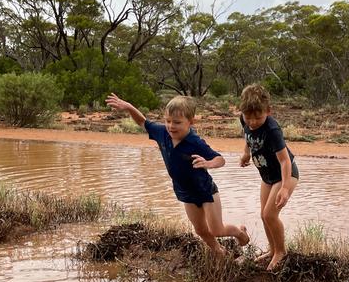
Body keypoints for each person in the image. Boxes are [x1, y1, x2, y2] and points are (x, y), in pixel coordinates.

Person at [105, 92, 249, 256]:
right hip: (185, 192)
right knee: (201, 230)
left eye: (177, 122)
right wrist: (129, 107)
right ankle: (218, 251)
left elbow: (220, 159)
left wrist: (208, 163)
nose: (171, 126)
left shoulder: (195, 142)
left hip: (205, 191)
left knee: (216, 229)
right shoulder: (162, 133)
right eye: (168, 121)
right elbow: (143, 122)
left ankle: (239, 232)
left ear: (191, 122)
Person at [238, 84, 298, 270]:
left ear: (268, 112)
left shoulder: (272, 130)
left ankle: (281, 252)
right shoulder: (244, 119)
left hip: (284, 175)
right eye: (249, 117)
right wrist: (246, 153)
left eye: (258, 117)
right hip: (267, 177)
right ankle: (272, 251)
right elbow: (247, 137)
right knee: (264, 216)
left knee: (269, 215)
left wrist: (285, 188)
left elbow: (285, 161)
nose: (253, 122)